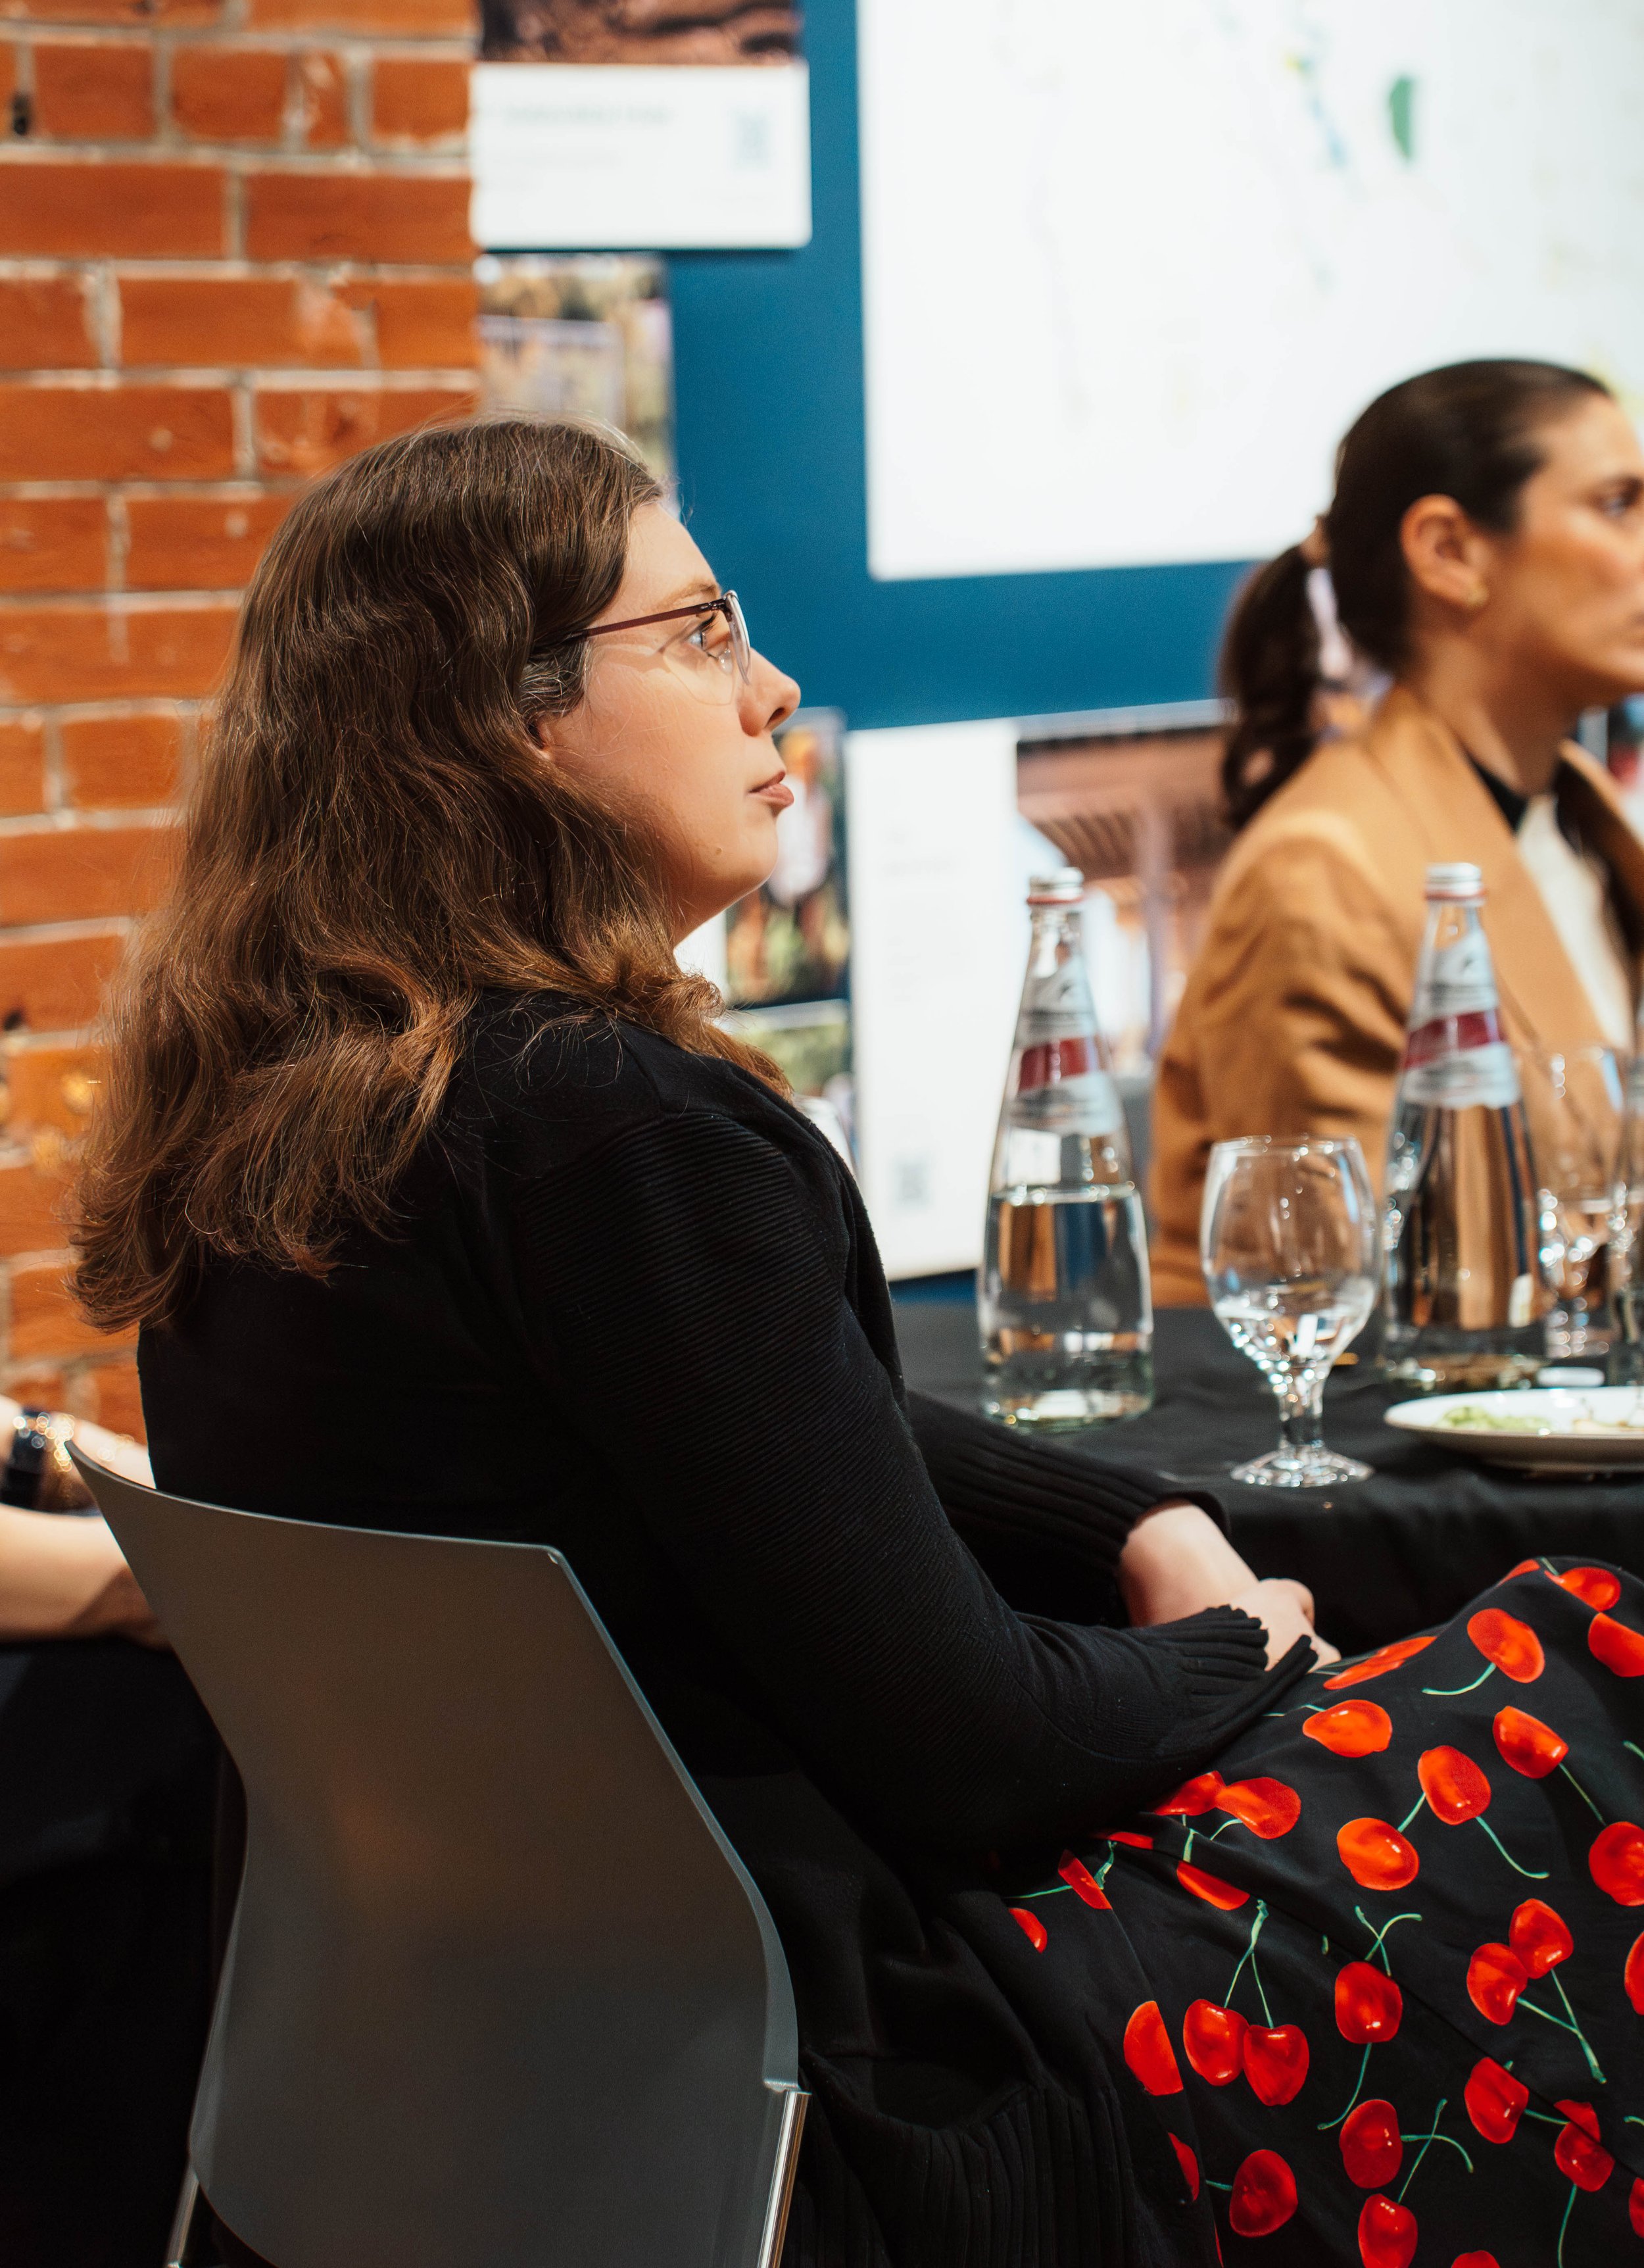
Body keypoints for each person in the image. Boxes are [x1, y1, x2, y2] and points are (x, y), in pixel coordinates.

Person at [74, 421, 1644, 2266]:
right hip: (884, 2038)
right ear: (514, 718)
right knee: (1577, 1653)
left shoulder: (291, 1114)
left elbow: (751, 1419)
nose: (774, 688)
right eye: (700, 630)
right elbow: (981, 1747)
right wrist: (1241, 1644)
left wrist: (1123, 1520)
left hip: (469, 2051)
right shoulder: (623, 1136)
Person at [1151, 360, 1644, 1302]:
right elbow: (1352, 1299)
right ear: (1450, 551)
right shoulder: (1326, 871)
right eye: (1618, 503)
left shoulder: (1580, 828)